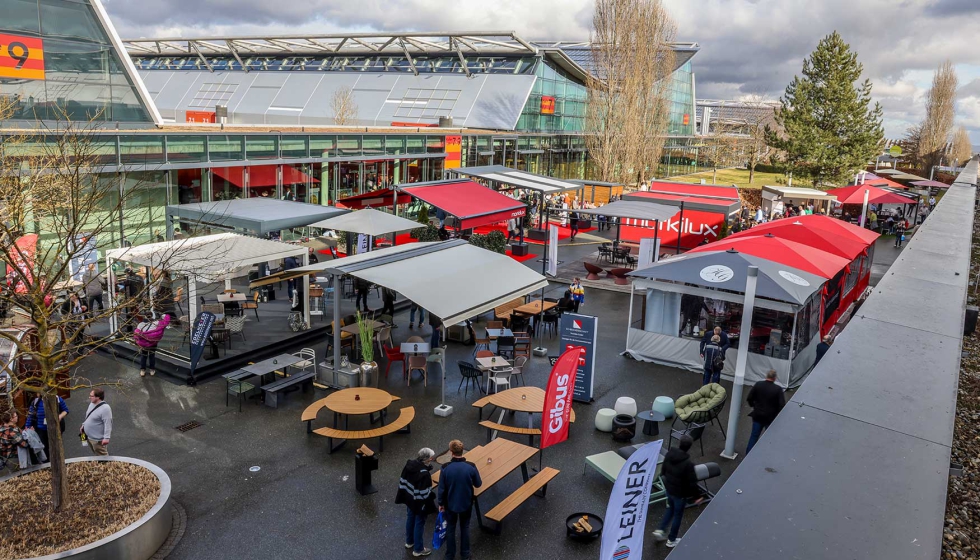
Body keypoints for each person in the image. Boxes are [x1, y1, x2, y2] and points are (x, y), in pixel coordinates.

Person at [652, 435, 701, 548]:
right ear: (689, 447)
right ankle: (671, 539)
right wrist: (697, 497)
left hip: (669, 489)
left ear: (680, 443)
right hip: (680, 494)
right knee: (677, 516)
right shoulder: (688, 464)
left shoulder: (669, 454)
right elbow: (692, 483)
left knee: (670, 509)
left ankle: (660, 530)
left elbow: (663, 470)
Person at [438, 440, 482, 560]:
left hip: (450, 503)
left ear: (451, 452)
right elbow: (478, 484)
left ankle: (450, 555)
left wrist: (441, 503)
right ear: (462, 451)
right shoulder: (471, 466)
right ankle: (465, 554)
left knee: (450, 528)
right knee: (465, 527)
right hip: (466, 503)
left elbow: (441, 489)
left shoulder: (445, 468)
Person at [396, 447, 437, 557]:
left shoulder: (409, 465)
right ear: (428, 459)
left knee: (410, 519)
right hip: (419, 503)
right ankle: (418, 549)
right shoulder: (424, 475)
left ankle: (409, 542)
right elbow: (425, 494)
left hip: (409, 499)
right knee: (419, 523)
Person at [746, 370, 786, 454]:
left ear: (767, 376)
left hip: (757, 416)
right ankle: (765, 455)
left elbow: (749, 398)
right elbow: (782, 405)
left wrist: (754, 406)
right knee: (768, 438)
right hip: (770, 418)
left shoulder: (758, 384)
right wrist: (776, 413)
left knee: (754, 436)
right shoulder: (778, 389)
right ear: (774, 378)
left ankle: (748, 455)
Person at [81, 388, 112, 456]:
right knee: (96, 454)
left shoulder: (105, 408)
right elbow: (88, 416)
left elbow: (108, 424)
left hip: (97, 440)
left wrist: (106, 438)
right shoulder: (92, 404)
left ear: (98, 397)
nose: (89, 397)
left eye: (91, 396)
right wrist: (84, 425)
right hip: (89, 437)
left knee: (103, 457)